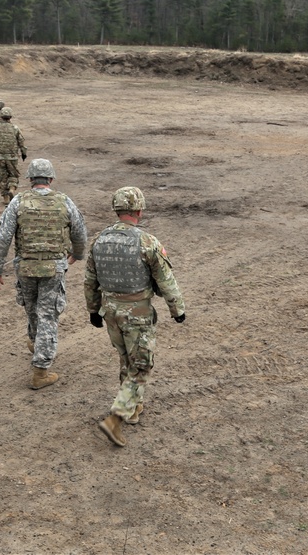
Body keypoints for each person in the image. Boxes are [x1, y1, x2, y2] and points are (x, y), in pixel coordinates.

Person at [85, 187, 185, 448]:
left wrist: (93, 310)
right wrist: (177, 310)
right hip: (137, 313)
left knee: (127, 359)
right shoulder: (147, 241)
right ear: (139, 211)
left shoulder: (98, 240)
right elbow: (166, 280)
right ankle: (117, 417)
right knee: (141, 365)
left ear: (116, 210)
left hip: (110, 313)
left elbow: (90, 281)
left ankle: (134, 407)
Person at [0, 158, 87, 389]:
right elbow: (80, 232)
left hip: (26, 266)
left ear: (31, 179)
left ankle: (36, 341)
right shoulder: (64, 201)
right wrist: (77, 255)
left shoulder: (18, 202)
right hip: (53, 268)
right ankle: (40, 370)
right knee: (48, 315)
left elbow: (3, 237)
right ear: (50, 179)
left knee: (32, 308)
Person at [0, 106, 28, 205]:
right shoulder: (14, 128)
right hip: (12, 157)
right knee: (13, 174)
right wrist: (23, 153)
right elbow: (21, 142)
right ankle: (12, 188)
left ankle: (5, 198)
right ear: (10, 116)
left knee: (2, 177)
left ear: (1, 116)